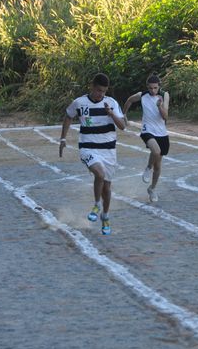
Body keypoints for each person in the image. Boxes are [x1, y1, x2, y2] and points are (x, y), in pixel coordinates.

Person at [59, 73, 126, 235]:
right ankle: (96, 204)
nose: (100, 94)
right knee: (99, 174)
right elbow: (68, 116)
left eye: (103, 91)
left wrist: (111, 114)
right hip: (88, 147)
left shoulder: (111, 103)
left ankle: (105, 216)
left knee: (107, 188)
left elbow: (123, 126)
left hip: (108, 150)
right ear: (92, 86)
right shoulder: (79, 103)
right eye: (98, 90)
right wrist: (62, 139)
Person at [122, 74, 170, 202]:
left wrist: (160, 106)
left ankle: (152, 189)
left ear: (159, 86)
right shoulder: (142, 95)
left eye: (155, 88)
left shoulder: (164, 95)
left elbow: (165, 117)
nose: (152, 91)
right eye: (150, 88)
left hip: (162, 132)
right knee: (156, 151)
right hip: (147, 130)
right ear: (147, 87)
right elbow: (129, 100)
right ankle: (148, 168)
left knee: (158, 166)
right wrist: (124, 114)